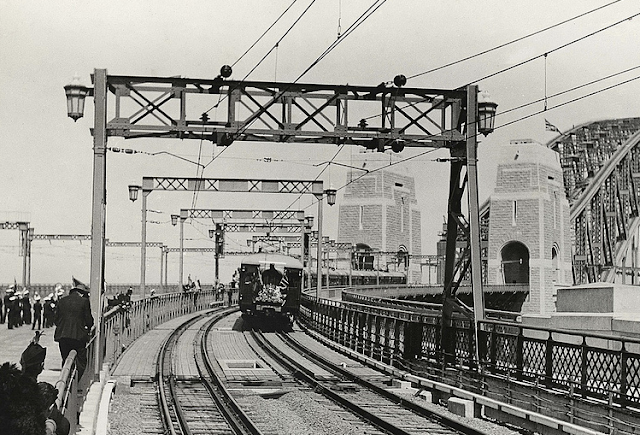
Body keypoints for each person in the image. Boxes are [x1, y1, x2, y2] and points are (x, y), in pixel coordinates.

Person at [54, 277, 94, 380]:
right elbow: (89, 320)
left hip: (62, 336)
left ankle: (65, 381)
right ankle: (76, 383)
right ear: (82, 293)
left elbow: (56, 320)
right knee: (81, 360)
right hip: (78, 337)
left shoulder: (62, 301)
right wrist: (88, 329)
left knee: (66, 359)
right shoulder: (84, 301)